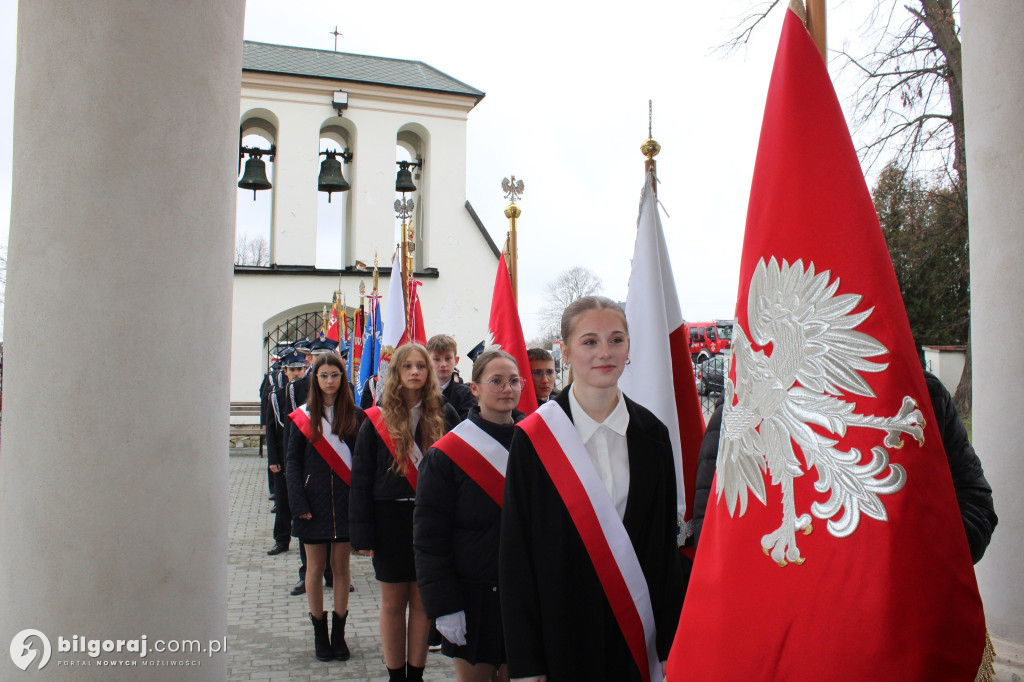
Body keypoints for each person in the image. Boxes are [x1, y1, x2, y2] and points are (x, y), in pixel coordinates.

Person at [500, 296, 684, 682]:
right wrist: (526, 664)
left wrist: (668, 648)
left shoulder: (654, 436)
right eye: (589, 341)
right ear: (564, 351)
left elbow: (664, 553)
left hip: (637, 638)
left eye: (616, 340)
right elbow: (517, 556)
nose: (605, 352)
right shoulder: (534, 439)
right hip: (562, 639)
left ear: (629, 348)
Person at [690, 371, 999, 563]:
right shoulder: (741, 409)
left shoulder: (922, 395)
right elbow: (712, 540)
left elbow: (977, 510)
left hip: (901, 633)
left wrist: (913, 553)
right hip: (787, 637)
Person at [350, 343, 460, 681]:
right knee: (394, 603)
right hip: (390, 521)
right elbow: (360, 480)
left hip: (433, 520)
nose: (415, 372)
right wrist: (362, 534)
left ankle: (417, 674)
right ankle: (396, 675)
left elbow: (459, 472)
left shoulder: (446, 414)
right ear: (396, 373)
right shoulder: (376, 419)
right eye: (407, 366)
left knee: (424, 603)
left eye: (421, 366)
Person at [415, 350, 525, 682]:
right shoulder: (446, 455)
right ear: (474, 388)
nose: (507, 388)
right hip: (471, 597)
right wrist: (443, 606)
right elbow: (429, 541)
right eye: (496, 381)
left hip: (522, 594)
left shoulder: (535, 444)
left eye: (513, 381)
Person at [286, 352, 363, 661]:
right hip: (312, 505)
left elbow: (362, 463)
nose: (330, 381)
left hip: (345, 504)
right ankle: (319, 631)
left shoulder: (356, 415)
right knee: (315, 568)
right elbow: (292, 462)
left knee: (342, 568)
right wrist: (297, 501)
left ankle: (339, 633)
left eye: (335, 375)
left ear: (342, 378)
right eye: (324, 375)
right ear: (314, 380)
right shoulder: (302, 416)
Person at [265, 351, 307, 556]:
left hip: (302, 456)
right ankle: (281, 540)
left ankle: (304, 543)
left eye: (300, 369)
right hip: (282, 456)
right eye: (293, 370)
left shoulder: (308, 393)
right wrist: (272, 459)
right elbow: (271, 429)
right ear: (286, 371)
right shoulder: (276, 395)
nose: (297, 373)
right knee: (283, 501)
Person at [427, 334, 476, 420]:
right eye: (437, 359)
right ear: (428, 361)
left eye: (448, 358)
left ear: (456, 360)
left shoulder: (466, 395)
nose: (443, 364)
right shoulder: (420, 393)